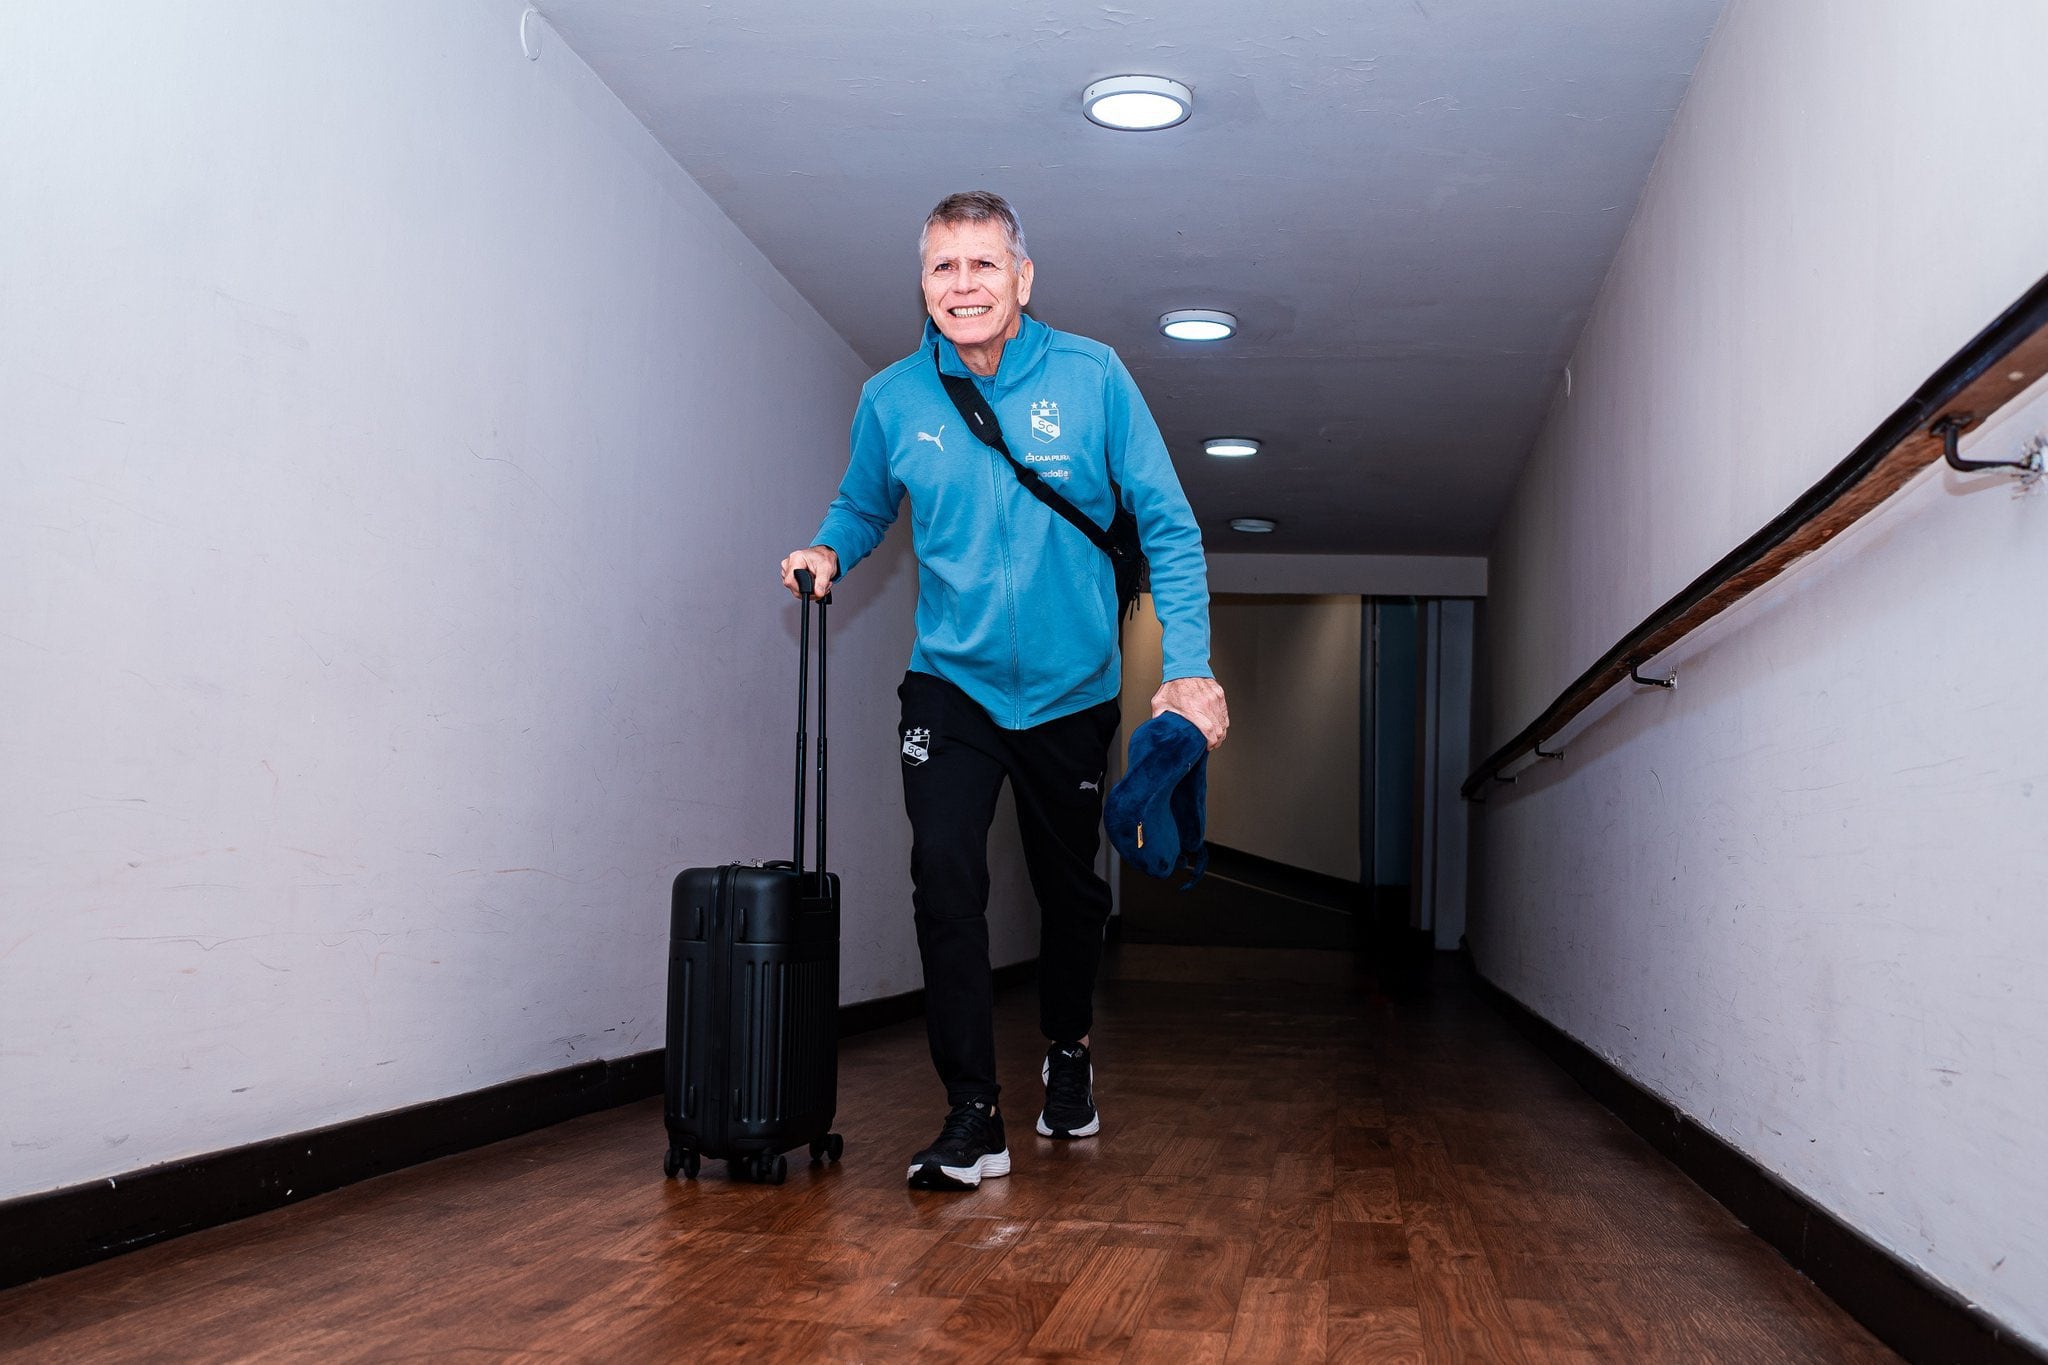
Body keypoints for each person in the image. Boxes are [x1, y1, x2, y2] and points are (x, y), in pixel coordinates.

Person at [780, 190, 1227, 1192]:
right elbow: (862, 503)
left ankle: (1065, 1048)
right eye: (945, 268)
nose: (964, 284)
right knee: (943, 876)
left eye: (983, 265)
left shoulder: (1092, 378)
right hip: (951, 683)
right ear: (923, 287)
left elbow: (1165, 523)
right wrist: (827, 548)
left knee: (1068, 895)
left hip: (1072, 692)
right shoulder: (893, 398)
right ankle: (971, 1114)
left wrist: (1186, 664)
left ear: (1022, 279)